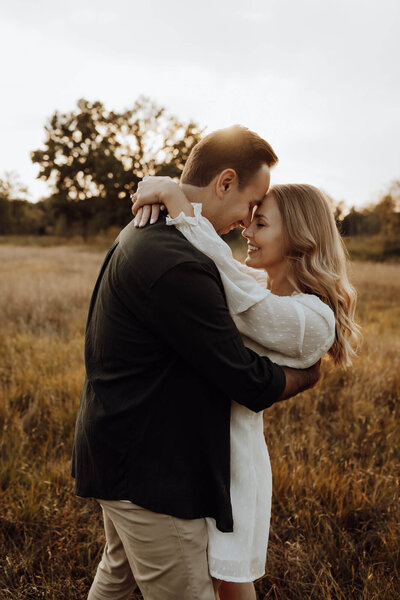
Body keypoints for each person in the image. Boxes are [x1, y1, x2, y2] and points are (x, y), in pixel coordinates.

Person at [71, 125, 322, 600]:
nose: (248, 220)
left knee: (116, 583)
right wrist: (306, 375)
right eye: (253, 202)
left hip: (118, 449)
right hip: (151, 475)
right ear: (224, 182)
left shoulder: (149, 228)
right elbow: (246, 380)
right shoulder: (178, 260)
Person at [131, 178, 360, 600]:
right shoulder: (257, 285)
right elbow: (226, 271)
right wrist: (162, 186)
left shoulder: (313, 318)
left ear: (298, 237)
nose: (247, 232)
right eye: (250, 222)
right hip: (200, 452)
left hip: (232, 462)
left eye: (261, 224)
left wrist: (178, 202)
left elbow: (233, 291)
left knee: (229, 582)